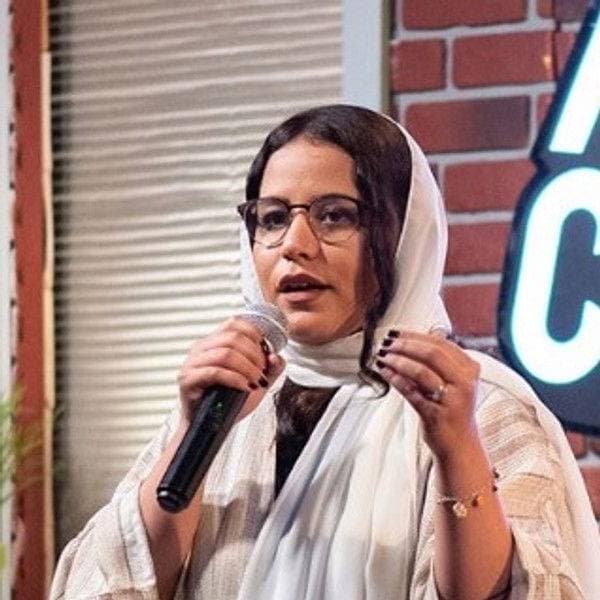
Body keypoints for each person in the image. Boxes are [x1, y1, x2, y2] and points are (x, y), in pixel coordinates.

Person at [50, 105, 600, 600]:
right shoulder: (230, 401)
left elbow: (527, 590)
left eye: (335, 215)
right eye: (272, 218)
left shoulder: (481, 408)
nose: (294, 244)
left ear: (402, 235)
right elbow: (115, 585)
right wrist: (190, 436)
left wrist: (458, 450)